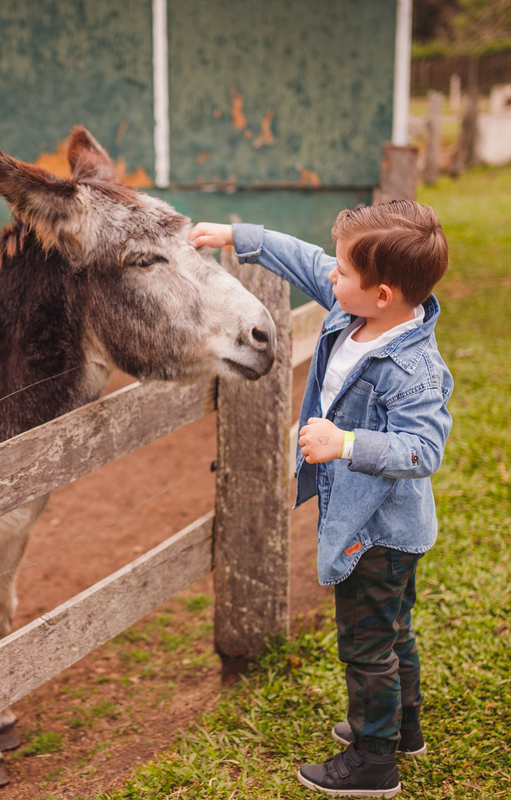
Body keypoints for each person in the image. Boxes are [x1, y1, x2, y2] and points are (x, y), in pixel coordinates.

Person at [188, 201, 453, 799]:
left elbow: (422, 451)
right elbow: (303, 259)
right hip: (381, 527)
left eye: (342, 271)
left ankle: (372, 758)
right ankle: (402, 729)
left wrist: (345, 442)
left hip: (377, 530)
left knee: (366, 645)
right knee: (394, 631)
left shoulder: (413, 368)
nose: (330, 276)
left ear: (382, 294)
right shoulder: (351, 307)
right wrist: (239, 235)